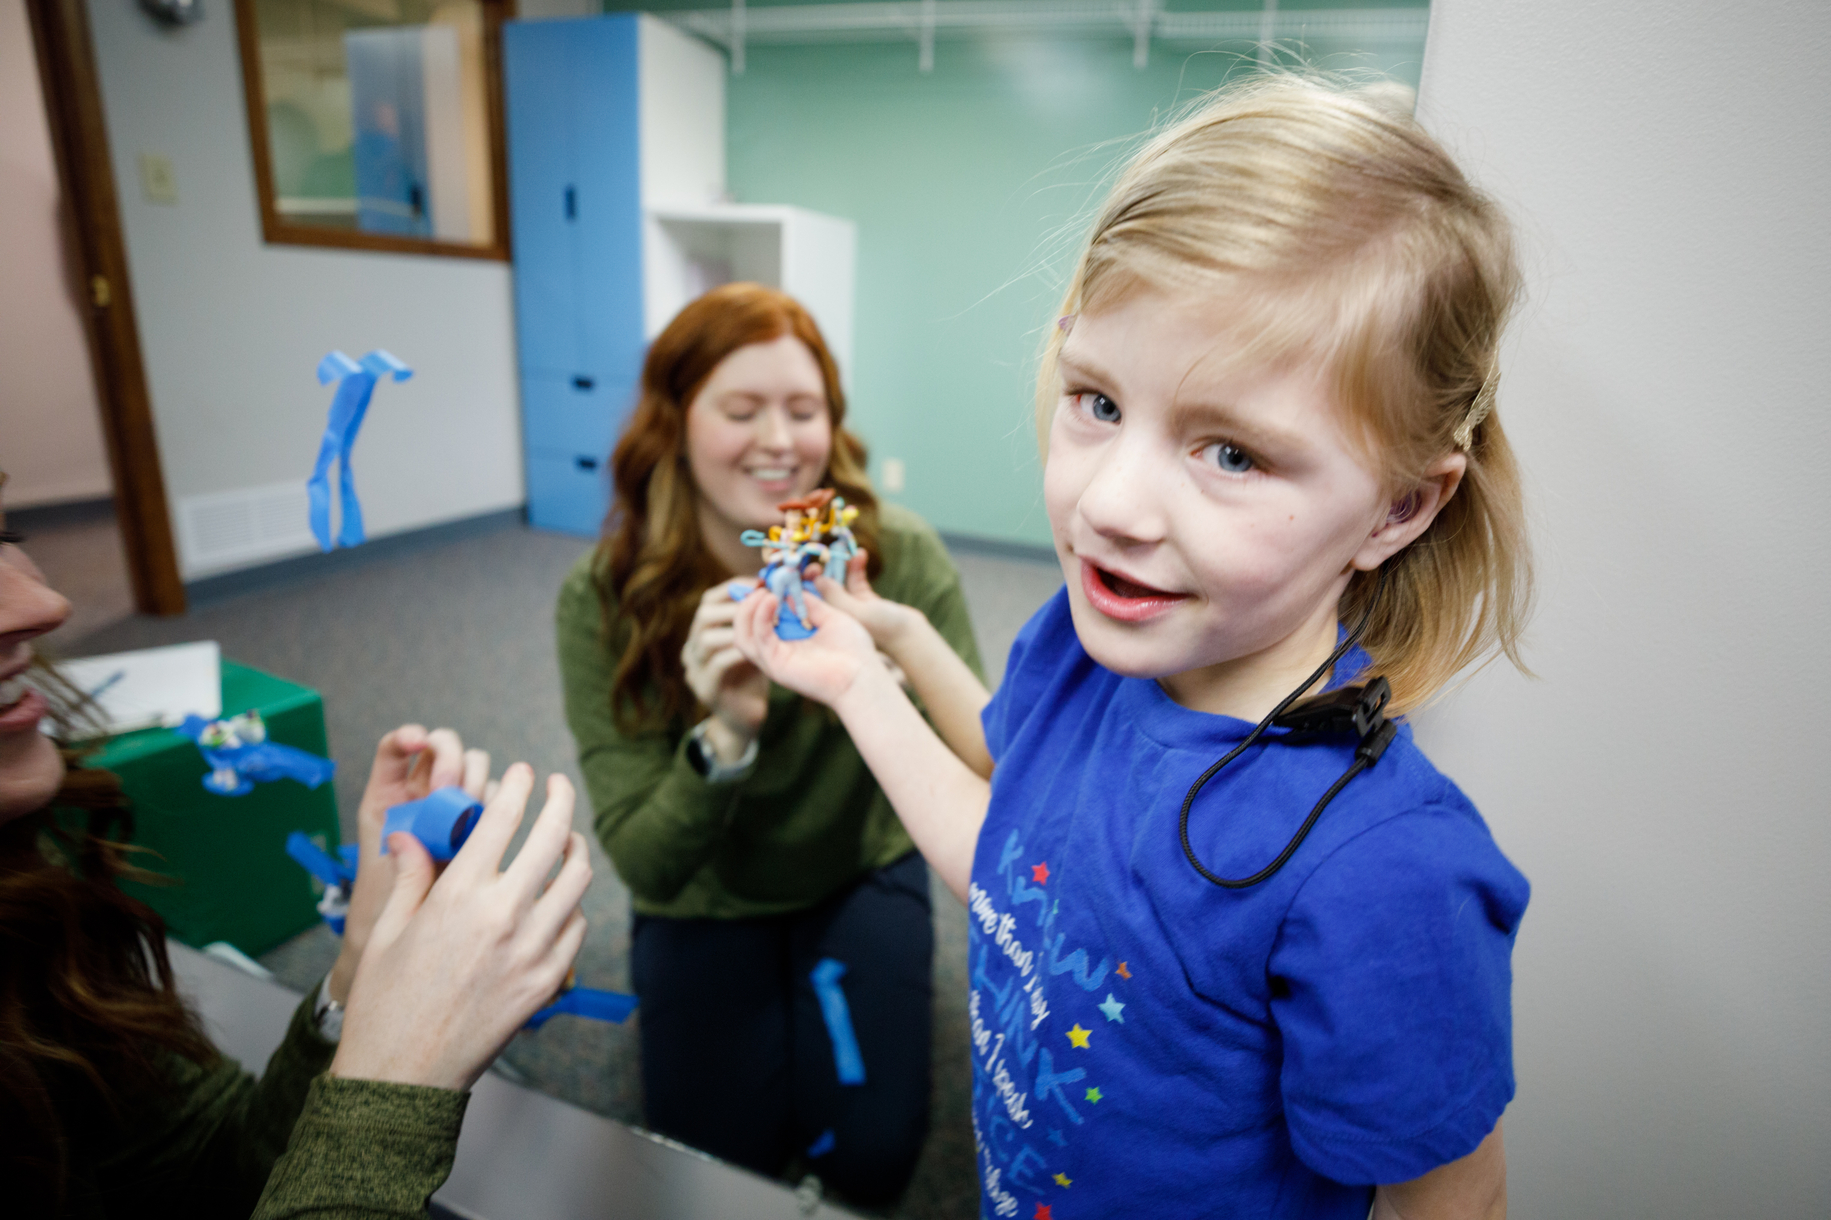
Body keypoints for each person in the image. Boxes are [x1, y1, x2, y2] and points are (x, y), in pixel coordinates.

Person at [732, 76, 1531, 1219]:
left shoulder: (1382, 876)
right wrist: (874, 665)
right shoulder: (1090, 639)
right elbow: (1020, 854)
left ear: (1400, 507)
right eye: (1096, 402)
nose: (1110, 504)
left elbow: (1449, 1203)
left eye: (1233, 454)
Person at [0, 508, 593, 1217]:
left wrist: (363, 963)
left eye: (8, 539)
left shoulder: (34, 907)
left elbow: (203, 1172)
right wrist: (391, 1091)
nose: (44, 604)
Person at [555, 283, 983, 1204]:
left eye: (804, 409)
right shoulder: (605, 595)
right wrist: (726, 733)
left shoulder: (893, 557)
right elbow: (648, 863)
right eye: (740, 410)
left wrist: (889, 683)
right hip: (705, 892)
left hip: (858, 864)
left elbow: (988, 767)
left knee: (869, 1157)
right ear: (673, 423)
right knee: (714, 1162)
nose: (779, 441)